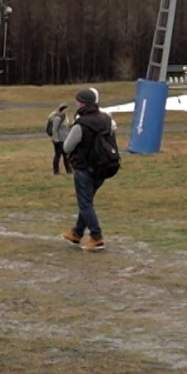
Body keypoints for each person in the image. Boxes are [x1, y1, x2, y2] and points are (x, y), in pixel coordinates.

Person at [60, 87, 114, 252]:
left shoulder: (81, 123)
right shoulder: (105, 118)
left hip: (84, 168)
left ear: (82, 104)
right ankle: (76, 233)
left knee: (85, 204)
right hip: (104, 167)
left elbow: (67, 147)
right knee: (87, 202)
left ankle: (96, 237)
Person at [46, 103, 72, 175]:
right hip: (59, 140)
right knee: (58, 155)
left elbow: (66, 128)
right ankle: (56, 171)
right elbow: (54, 130)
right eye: (65, 109)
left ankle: (69, 170)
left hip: (64, 139)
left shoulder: (64, 117)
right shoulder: (58, 118)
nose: (66, 111)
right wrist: (56, 140)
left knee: (66, 155)